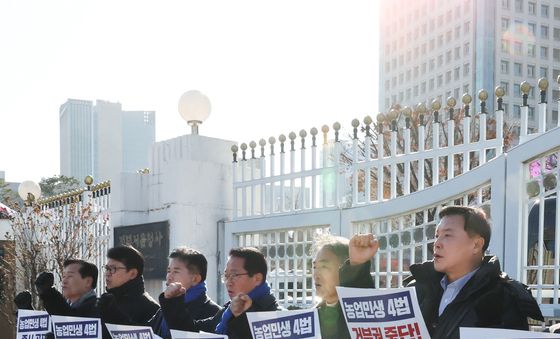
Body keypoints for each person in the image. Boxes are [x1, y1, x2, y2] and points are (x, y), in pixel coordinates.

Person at [342, 206, 544, 339]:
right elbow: (367, 322)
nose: (436, 244)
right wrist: (357, 267)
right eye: (437, 235)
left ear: (476, 244)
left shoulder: (503, 298)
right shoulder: (417, 289)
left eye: (447, 235)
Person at [159, 247, 281, 339]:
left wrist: (241, 317)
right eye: (226, 276)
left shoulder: (276, 317)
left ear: (257, 278)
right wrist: (173, 302)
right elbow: (190, 333)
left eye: (234, 275)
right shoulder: (227, 312)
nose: (228, 282)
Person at [97, 245, 162, 333]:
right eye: (107, 268)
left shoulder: (150, 308)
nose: (107, 274)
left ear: (132, 273)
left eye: (113, 269)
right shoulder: (106, 302)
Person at [158, 247, 220, 337]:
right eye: (168, 271)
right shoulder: (167, 305)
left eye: (176, 271)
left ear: (195, 279)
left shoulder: (212, 312)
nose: (169, 277)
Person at [311, 234, 351, 339]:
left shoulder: (362, 318)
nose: (316, 274)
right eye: (315, 267)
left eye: (324, 266)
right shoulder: (311, 318)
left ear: (346, 270)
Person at [34, 259, 99, 317]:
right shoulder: (70, 305)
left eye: (70, 276)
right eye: (64, 276)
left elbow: (71, 322)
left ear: (88, 282)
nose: (64, 281)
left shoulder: (97, 309)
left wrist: (49, 294)